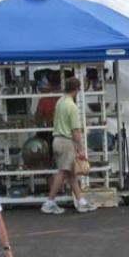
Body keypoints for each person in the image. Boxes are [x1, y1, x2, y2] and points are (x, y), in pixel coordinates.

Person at [41, 77, 97, 214]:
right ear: (77, 90)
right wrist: (81, 149)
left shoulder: (60, 101)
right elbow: (76, 131)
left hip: (57, 140)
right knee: (63, 172)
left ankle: (81, 201)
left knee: (71, 174)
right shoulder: (72, 106)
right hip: (66, 142)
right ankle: (49, 202)